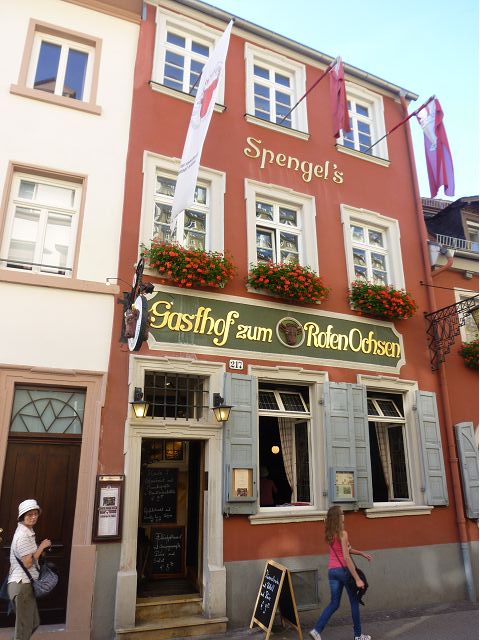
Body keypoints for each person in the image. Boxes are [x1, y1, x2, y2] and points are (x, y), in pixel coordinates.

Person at [310, 505, 372, 640]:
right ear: (338, 517)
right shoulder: (343, 534)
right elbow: (346, 557)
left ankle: (316, 630)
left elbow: (347, 549)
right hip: (344, 571)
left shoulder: (330, 534)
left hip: (332, 571)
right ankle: (358, 636)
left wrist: (361, 553)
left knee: (334, 603)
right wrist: (357, 578)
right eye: (342, 514)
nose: (344, 516)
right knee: (354, 602)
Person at [8, 499, 51, 640]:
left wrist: (38, 551)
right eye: (29, 514)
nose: (33, 517)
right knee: (24, 628)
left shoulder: (28, 532)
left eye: (35, 514)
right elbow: (27, 563)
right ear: (22, 516)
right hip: (22, 585)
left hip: (25, 585)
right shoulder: (22, 536)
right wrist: (42, 547)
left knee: (33, 623)